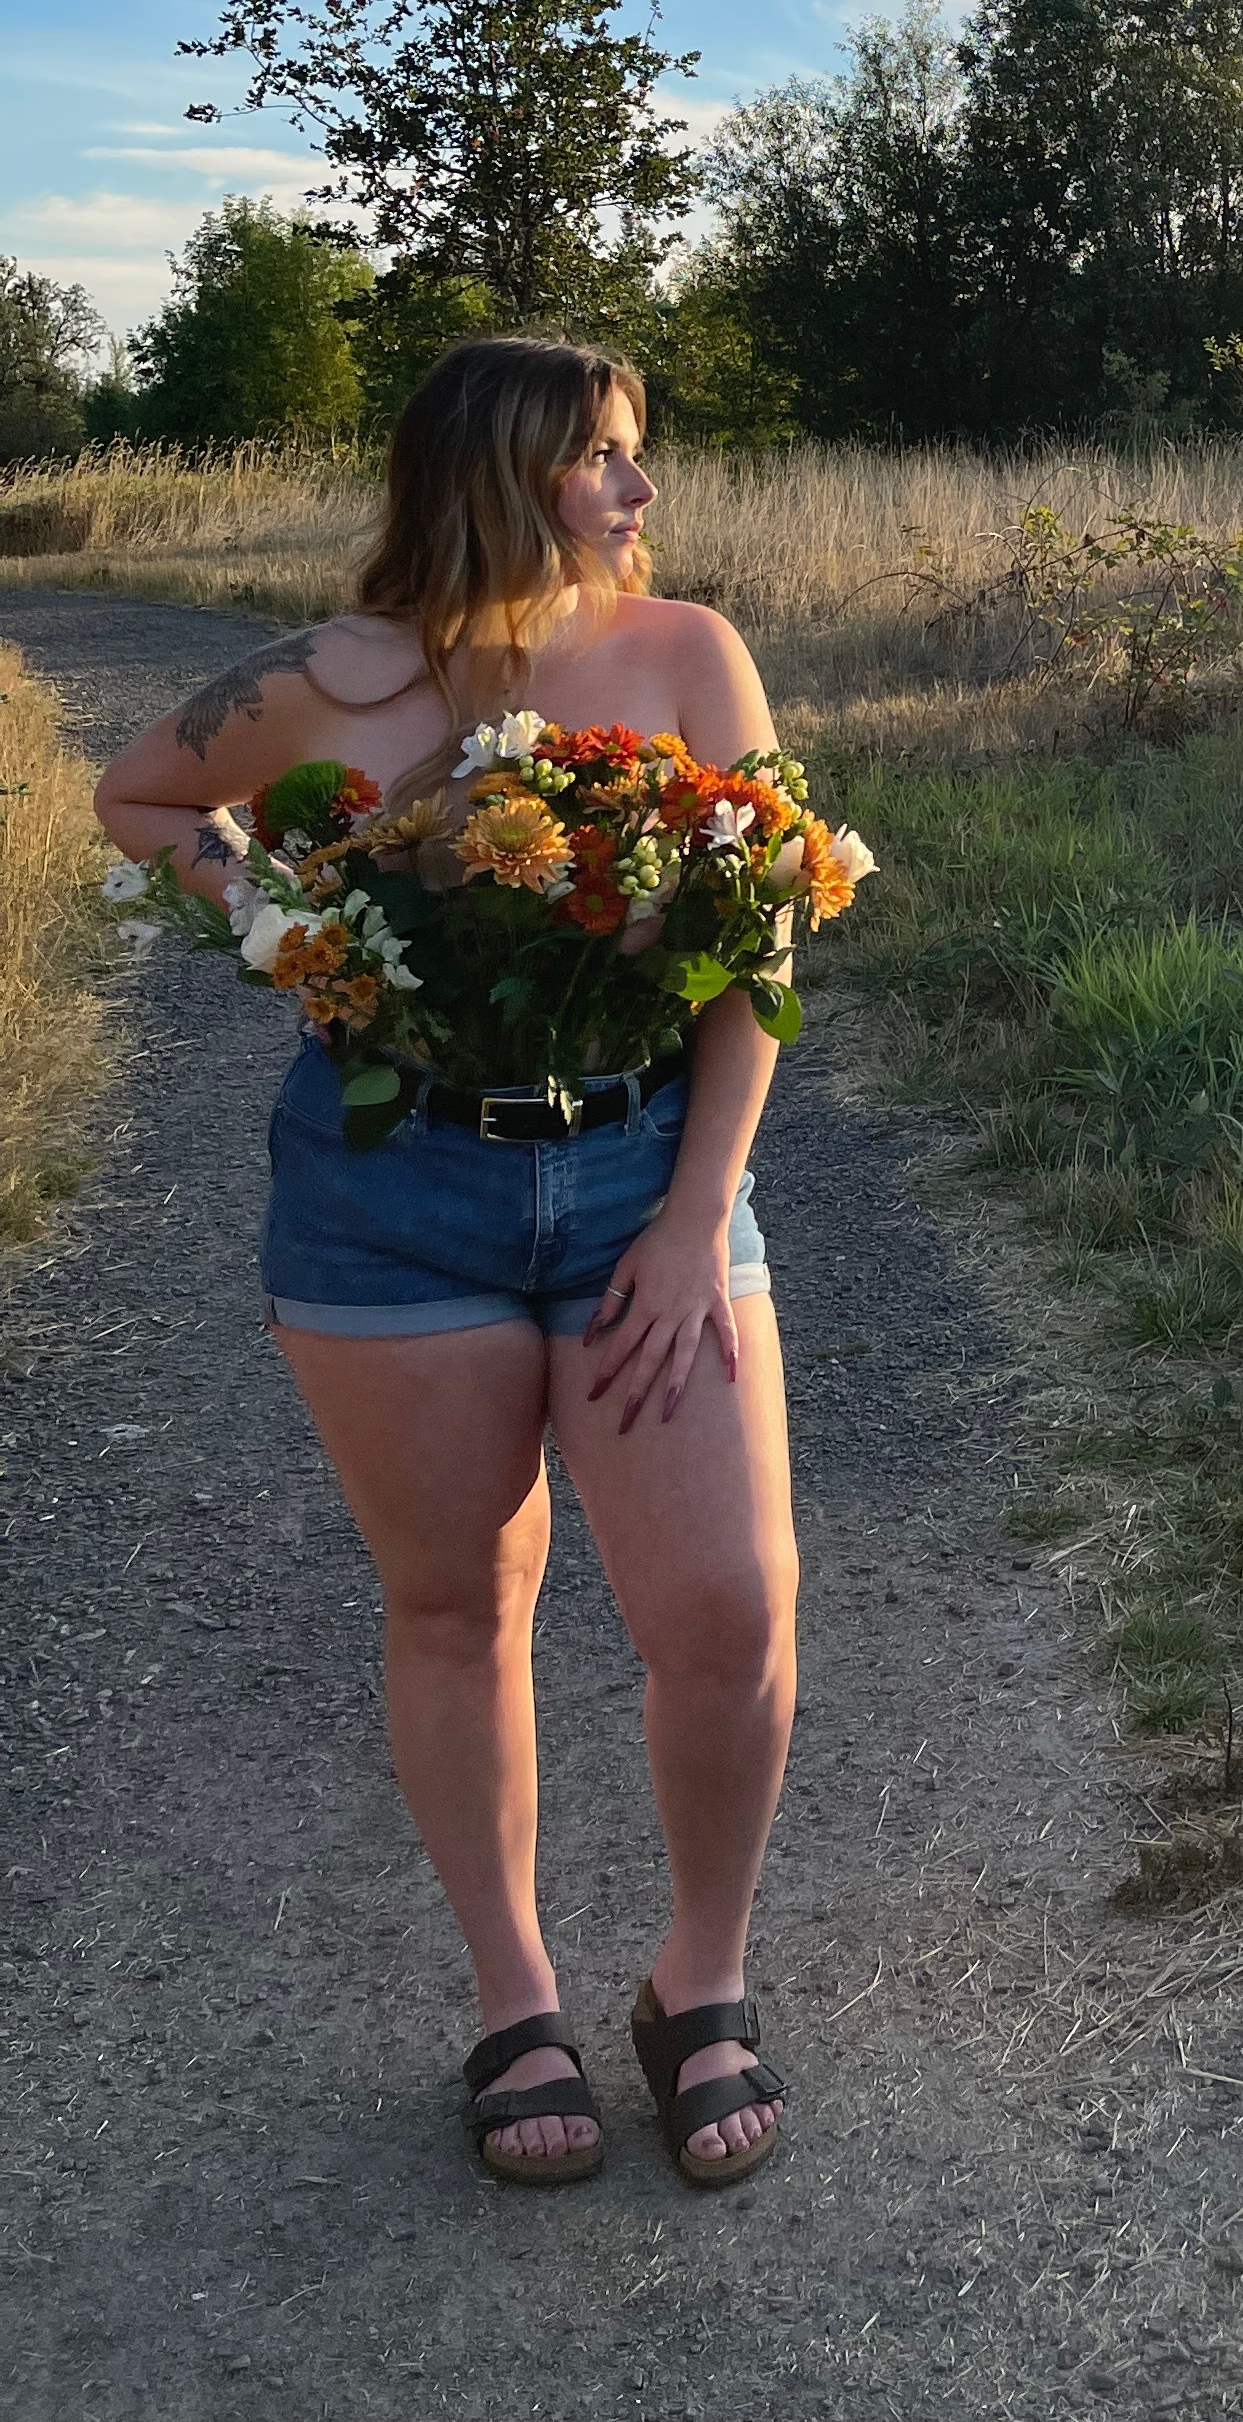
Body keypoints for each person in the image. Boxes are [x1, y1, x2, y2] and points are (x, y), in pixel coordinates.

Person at [94, 335, 800, 2193]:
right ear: (495, 473)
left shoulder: (687, 658)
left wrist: (686, 1217)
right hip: (390, 1194)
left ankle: (696, 1979)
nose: (642, 493)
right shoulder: (327, 680)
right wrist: (276, 925)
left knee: (723, 1613)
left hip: (648, 1162)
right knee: (456, 1600)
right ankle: (514, 1997)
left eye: (640, 456)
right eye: (605, 460)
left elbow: (762, 947)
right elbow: (139, 799)